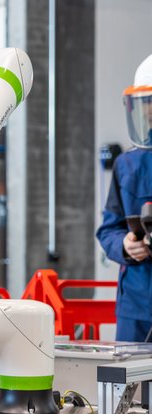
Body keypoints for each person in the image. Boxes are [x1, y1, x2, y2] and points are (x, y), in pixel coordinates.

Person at [97, 54, 152, 342]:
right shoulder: (128, 164)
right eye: (145, 104)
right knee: (129, 385)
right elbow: (108, 229)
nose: (148, 113)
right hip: (137, 306)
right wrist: (126, 245)